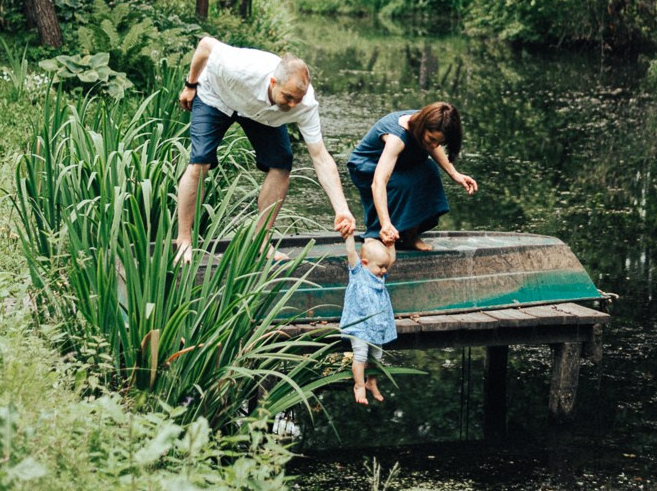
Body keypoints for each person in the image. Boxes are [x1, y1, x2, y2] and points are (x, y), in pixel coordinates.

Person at [176, 37, 355, 261]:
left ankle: (261, 241)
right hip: (216, 97)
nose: (293, 105)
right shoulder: (240, 67)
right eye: (288, 97)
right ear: (273, 82)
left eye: (297, 99)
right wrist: (190, 85)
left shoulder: (305, 104)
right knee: (200, 161)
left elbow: (320, 157)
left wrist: (342, 208)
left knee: (281, 163)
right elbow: (205, 45)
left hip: (260, 113)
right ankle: (184, 240)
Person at [347, 101, 478, 250]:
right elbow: (379, 182)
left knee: (429, 170)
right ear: (422, 128)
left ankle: (410, 235)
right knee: (402, 183)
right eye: (432, 139)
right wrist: (385, 223)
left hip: (400, 162)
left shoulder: (427, 125)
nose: (435, 145)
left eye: (440, 142)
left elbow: (433, 146)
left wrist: (455, 174)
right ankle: (376, 235)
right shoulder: (396, 138)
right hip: (367, 166)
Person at [339, 232, 396, 404]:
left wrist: (391, 244)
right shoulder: (359, 272)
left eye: (385, 267)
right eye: (381, 267)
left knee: (377, 357)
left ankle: (371, 382)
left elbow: (390, 260)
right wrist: (349, 235)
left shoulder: (380, 276)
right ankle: (359, 385)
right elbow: (351, 252)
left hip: (377, 326)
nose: (384, 270)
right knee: (361, 356)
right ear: (365, 263)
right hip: (359, 327)